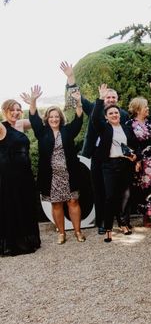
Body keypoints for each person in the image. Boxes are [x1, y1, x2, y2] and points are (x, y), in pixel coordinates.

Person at [60, 61, 128, 234]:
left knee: (118, 191)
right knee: (99, 190)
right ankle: (102, 224)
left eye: (113, 98)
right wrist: (70, 77)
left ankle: (122, 221)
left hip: (117, 157)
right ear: (103, 98)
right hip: (96, 156)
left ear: (117, 100)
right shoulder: (94, 109)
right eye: (108, 97)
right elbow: (77, 95)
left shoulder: (123, 115)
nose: (110, 100)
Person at [27, 85, 86, 243]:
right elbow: (33, 116)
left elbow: (79, 118)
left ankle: (78, 232)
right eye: (51, 116)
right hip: (51, 176)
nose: (54, 119)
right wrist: (33, 101)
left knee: (73, 201)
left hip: (69, 174)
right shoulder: (41, 132)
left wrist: (79, 102)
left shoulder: (68, 131)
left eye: (57, 116)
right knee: (56, 204)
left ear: (60, 118)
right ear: (47, 118)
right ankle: (61, 233)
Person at [92, 84, 138, 243]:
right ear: (106, 116)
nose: (114, 114)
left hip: (125, 165)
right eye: (111, 113)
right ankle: (108, 228)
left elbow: (133, 146)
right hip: (109, 166)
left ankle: (124, 224)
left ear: (120, 114)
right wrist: (100, 98)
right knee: (110, 197)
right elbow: (94, 118)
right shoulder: (104, 128)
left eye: (116, 112)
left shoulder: (126, 128)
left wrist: (134, 156)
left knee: (125, 196)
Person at [0, 99, 41, 255]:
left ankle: (26, 238)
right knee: (12, 205)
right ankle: (13, 243)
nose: (16, 112)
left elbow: (37, 120)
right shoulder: (2, 127)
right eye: (12, 109)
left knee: (25, 204)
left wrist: (33, 102)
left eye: (18, 109)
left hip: (24, 173)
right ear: (5, 110)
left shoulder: (21, 124)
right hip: (9, 174)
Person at [127, 82, 151, 227]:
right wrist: (135, 160)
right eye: (145, 107)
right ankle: (147, 215)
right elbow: (128, 144)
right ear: (138, 109)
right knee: (143, 187)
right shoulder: (130, 124)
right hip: (140, 160)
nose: (148, 109)